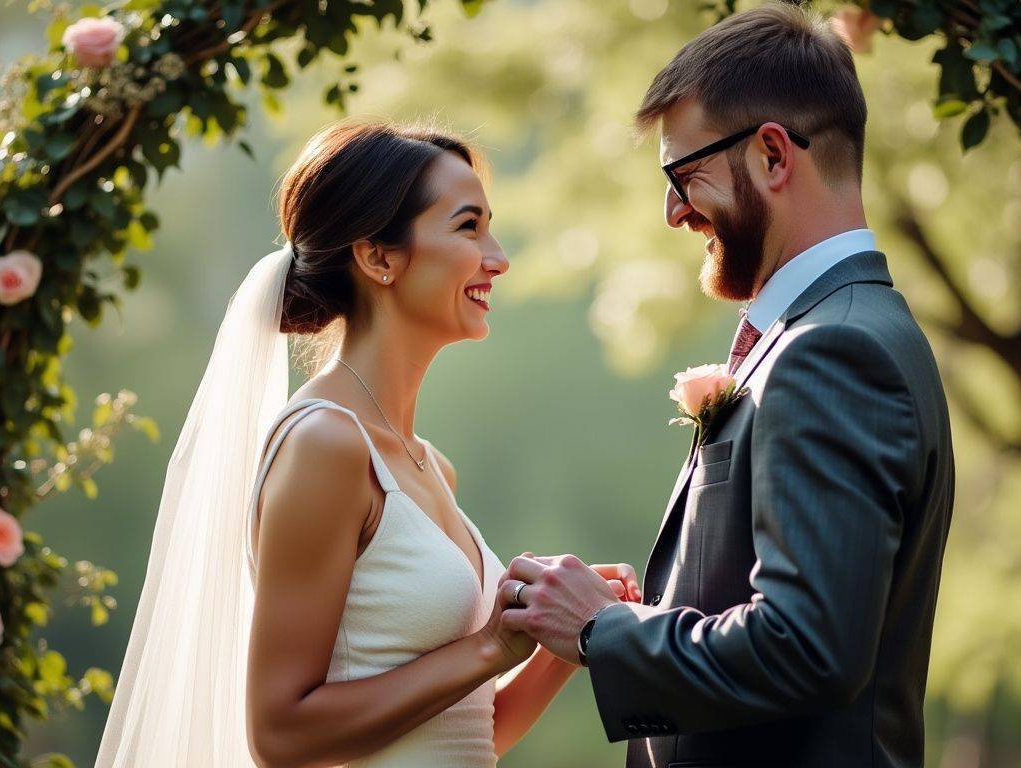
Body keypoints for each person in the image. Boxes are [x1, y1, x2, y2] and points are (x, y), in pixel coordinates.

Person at [92, 121, 639, 767]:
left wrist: (559, 636)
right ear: (379, 257)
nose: (498, 256)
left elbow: (467, 735)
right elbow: (282, 736)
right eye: (468, 227)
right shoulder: (326, 443)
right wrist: (490, 645)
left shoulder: (431, 465)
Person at [495, 6, 956, 767]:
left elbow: (807, 645)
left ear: (773, 155)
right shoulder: (830, 333)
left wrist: (599, 632)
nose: (674, 211)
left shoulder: (833, 350)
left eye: (684, 175)